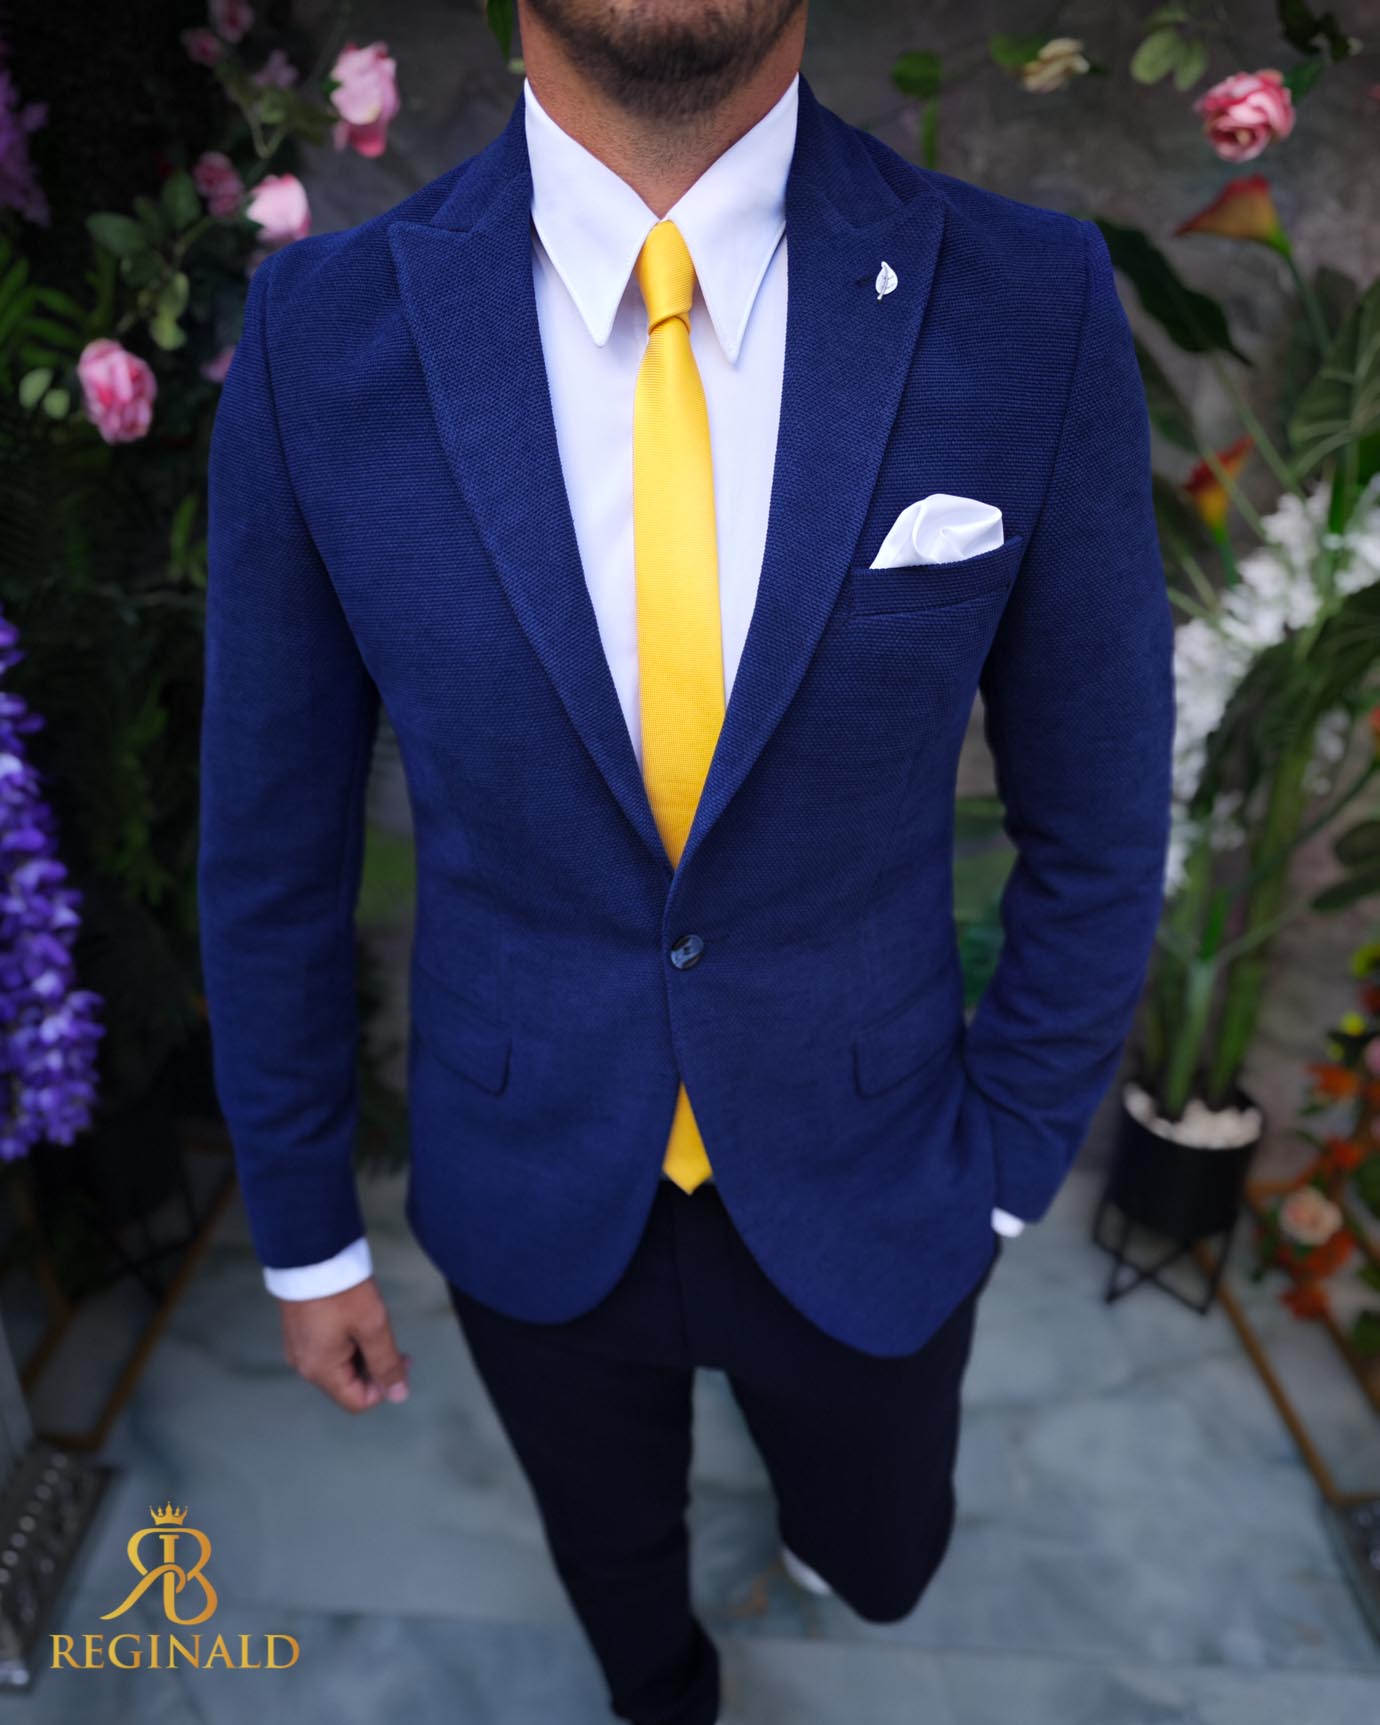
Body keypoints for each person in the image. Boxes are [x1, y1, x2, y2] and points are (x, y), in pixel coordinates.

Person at [197, 2, 1175, 1720]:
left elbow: (1098, 804)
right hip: (526, 1165)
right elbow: (271, 845)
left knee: (886, 1554)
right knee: (615, 1568)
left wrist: (1014, 1156)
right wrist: (306, 1235)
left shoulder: (1028, 300)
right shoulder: (320, 334)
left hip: (881, 1159)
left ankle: (837, 1547)